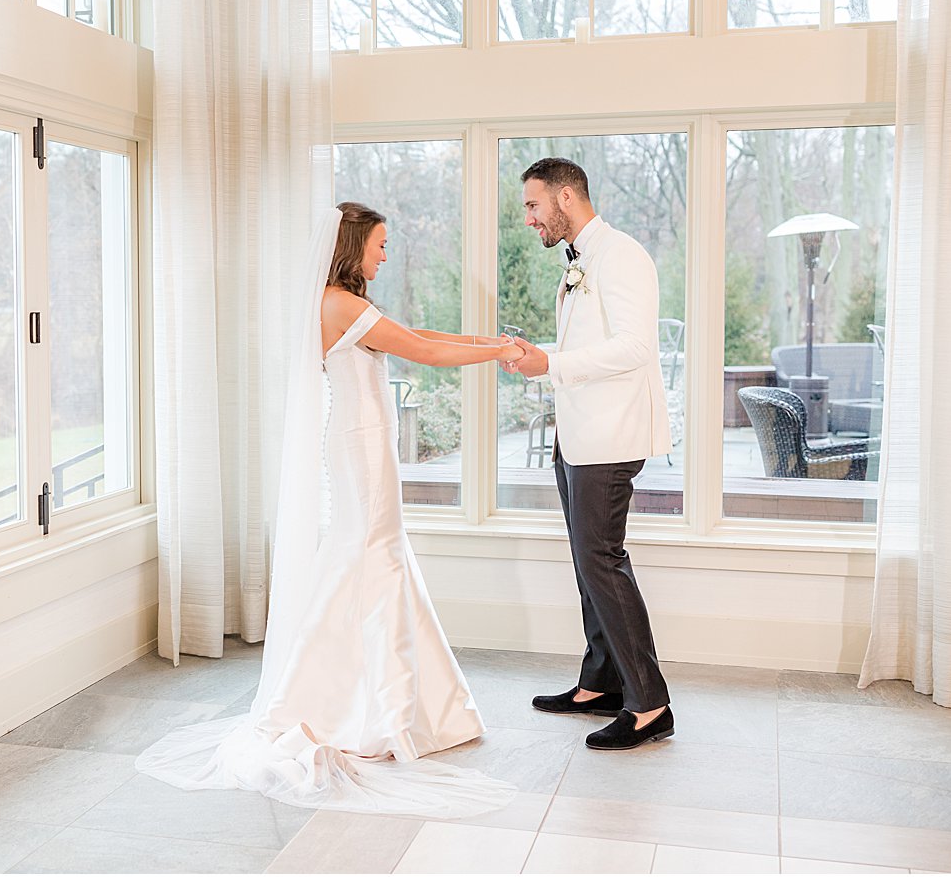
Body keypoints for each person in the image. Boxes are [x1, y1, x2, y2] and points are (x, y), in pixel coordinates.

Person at [136, 202, 520, 816]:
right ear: (352, 245)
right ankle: (366, 708)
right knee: (370, 554)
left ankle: (397, 702)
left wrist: (494, 342)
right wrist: (494, 352)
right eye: (380, 244)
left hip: (366, 441)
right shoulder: (338, 304)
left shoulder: (346, 300)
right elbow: (421, 350)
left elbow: (422, 335)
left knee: (372, 555)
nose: (385, 254)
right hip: (361, 447)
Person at [501, 157, 676, 752]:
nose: (528, 218)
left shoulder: (621, 255)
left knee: (602, 560)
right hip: (576, 435)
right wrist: (538, 355)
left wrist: (550, 363)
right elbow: (588, 346)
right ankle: (601, 682)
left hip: (609, 437)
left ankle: (650, 703)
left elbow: (634, 348)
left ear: (567, 197)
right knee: (586, 563)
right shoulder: (581, 260)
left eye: (533, 205)